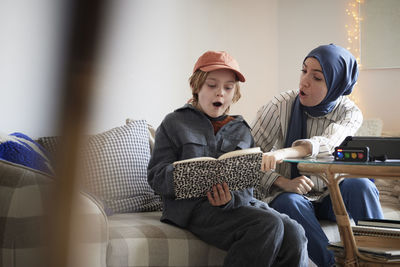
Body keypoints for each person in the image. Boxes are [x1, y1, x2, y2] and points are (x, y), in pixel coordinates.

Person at [148, 50, 308, 267]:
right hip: (193, 209)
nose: (220, 93)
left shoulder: (241, 129)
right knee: (267, 224)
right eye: (212, 85)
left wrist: (230, 200)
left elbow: (248, 184)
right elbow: (156, 177)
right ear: (196, 87)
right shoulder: (174, 123)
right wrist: (190, 175)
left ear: (235, 93)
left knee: (295, 233)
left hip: (237, 205)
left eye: (228, 87)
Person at [251, 44, 384, 267]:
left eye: (317, 78)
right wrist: (282, 182)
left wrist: (285, 152)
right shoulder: (279, 106)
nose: (304, 81)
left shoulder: (349, 112)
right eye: (304, 71)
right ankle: (330, 264)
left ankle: (379, 258)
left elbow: (327, 144)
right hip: (294, 193)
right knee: (288, 203)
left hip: (334, 193)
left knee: (361, 185)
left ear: (336, 84)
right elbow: (249, 157)